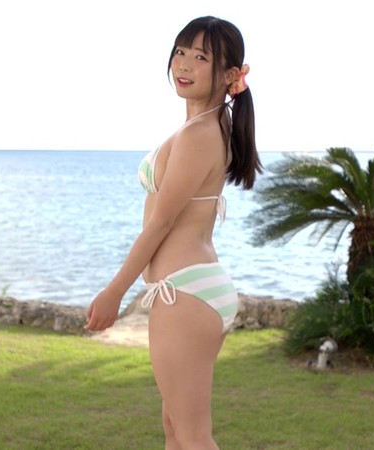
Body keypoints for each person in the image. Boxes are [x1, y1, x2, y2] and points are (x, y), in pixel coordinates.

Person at [84, 15, 261, 449]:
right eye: (181, 52)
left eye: (200, 57)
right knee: (176, 431)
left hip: (184, 295)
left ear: (229, 75)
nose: (183, 64)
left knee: (193, 437)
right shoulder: (205, 127)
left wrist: (115, 291)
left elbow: (161, 223)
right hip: (195, 289)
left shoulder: (199, 134)